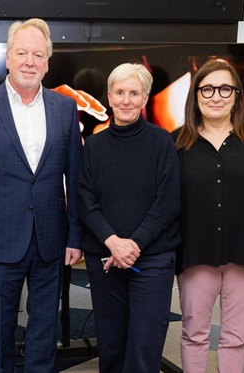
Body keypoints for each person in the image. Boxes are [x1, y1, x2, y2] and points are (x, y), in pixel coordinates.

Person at [0, 17, 83, 373]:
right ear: (8, 58)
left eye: (38, 54)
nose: (30, 61)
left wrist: (74, 235)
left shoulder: (64, 108)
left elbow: (73, 179)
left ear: (47, 62)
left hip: (51, 238)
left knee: (45, 326)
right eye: (22, 53)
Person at [173, 59, 244, 373]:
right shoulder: (177, 143)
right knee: (194, 334)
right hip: (195, 256)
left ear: (237, 94)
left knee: (235, 337)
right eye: (207, 89)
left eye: (225, 88)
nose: (216, 96)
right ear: (195, 95)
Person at [77, 63, 180, 372]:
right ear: (109, 96)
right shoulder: (93, 146)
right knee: (110, 344)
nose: (126, 100)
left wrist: (132, 245)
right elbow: (85, 200)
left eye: (134, 93)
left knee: (144, 345)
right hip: (104, 257)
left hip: (152, 259)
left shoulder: (162, 142)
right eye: (120, 92)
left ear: (145, 98)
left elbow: (168, 202)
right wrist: (113, 242)